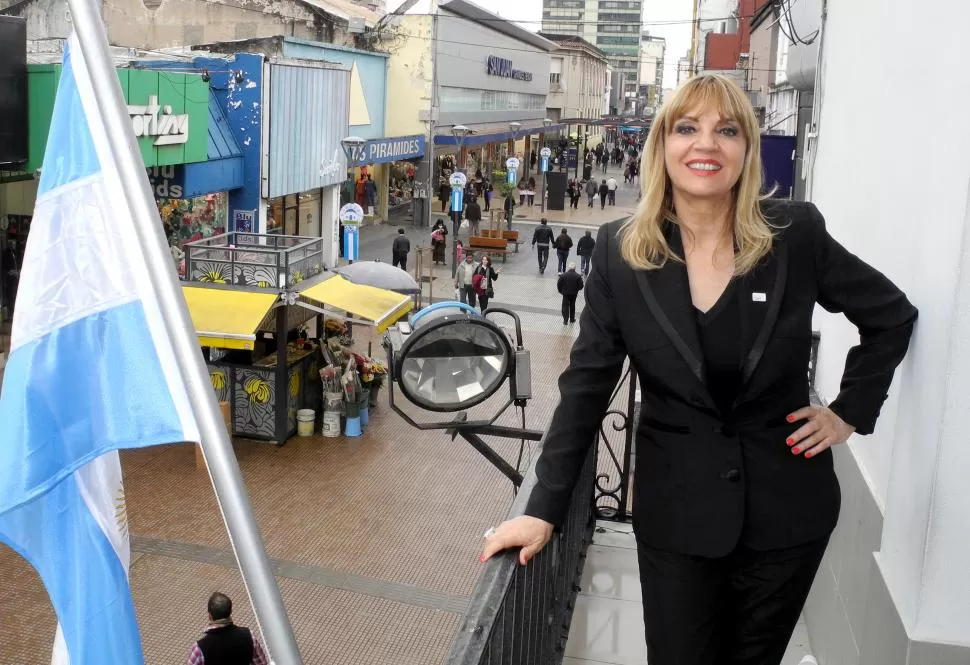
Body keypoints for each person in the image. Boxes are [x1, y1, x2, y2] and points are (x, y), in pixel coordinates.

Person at [479, 73, 917, 665]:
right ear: (662, 145)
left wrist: (847, 413)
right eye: (688, 128)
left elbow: (890, 316)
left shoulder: (794, 236)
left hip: (788, 514)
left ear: (747, 149)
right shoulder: (620, 251)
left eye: (726, 130)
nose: (706, 144)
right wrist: (542, 509)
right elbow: (585, 387)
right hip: (677, 516)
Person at [186, 592, 268, 665]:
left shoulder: (199, 649)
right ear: (230, 611)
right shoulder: (249, 636)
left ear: (209, 615)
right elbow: (262, 663)